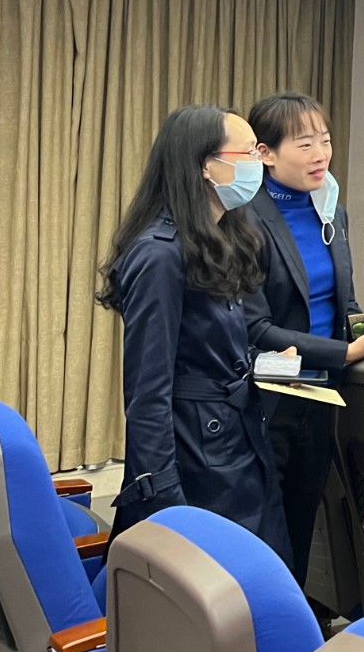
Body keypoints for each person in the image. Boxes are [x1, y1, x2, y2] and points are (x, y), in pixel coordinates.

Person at [96, 103, 291, 564]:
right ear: (206, 165)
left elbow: (209, 347)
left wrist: (266, 363)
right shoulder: (158, 255)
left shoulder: (218, 238)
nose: (259, 163)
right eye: (248, 153)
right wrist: (164, 499)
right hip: (196, 457)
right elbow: (147, 391)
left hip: (233, 442)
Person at [241, 91, 364, 588]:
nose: (321, 154)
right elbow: (254, 327)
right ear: (266, 154)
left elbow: (342, 303)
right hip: (266, 398)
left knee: (302, 523)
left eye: (326, 141)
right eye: (305, 143)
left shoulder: (331, 213)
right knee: (262, 535)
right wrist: (346, 352)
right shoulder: (243, 218)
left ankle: (292, 619)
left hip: (321, 394)